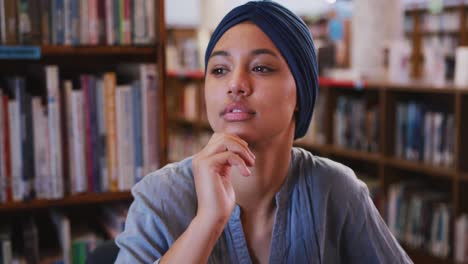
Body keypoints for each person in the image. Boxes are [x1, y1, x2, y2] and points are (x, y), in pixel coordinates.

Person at [115, 1, 412, 263]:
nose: (235, 84)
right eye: (219, 70)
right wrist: (208, 222)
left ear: (300, 93)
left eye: (261, 68)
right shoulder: (159, 197)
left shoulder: (336, 191)